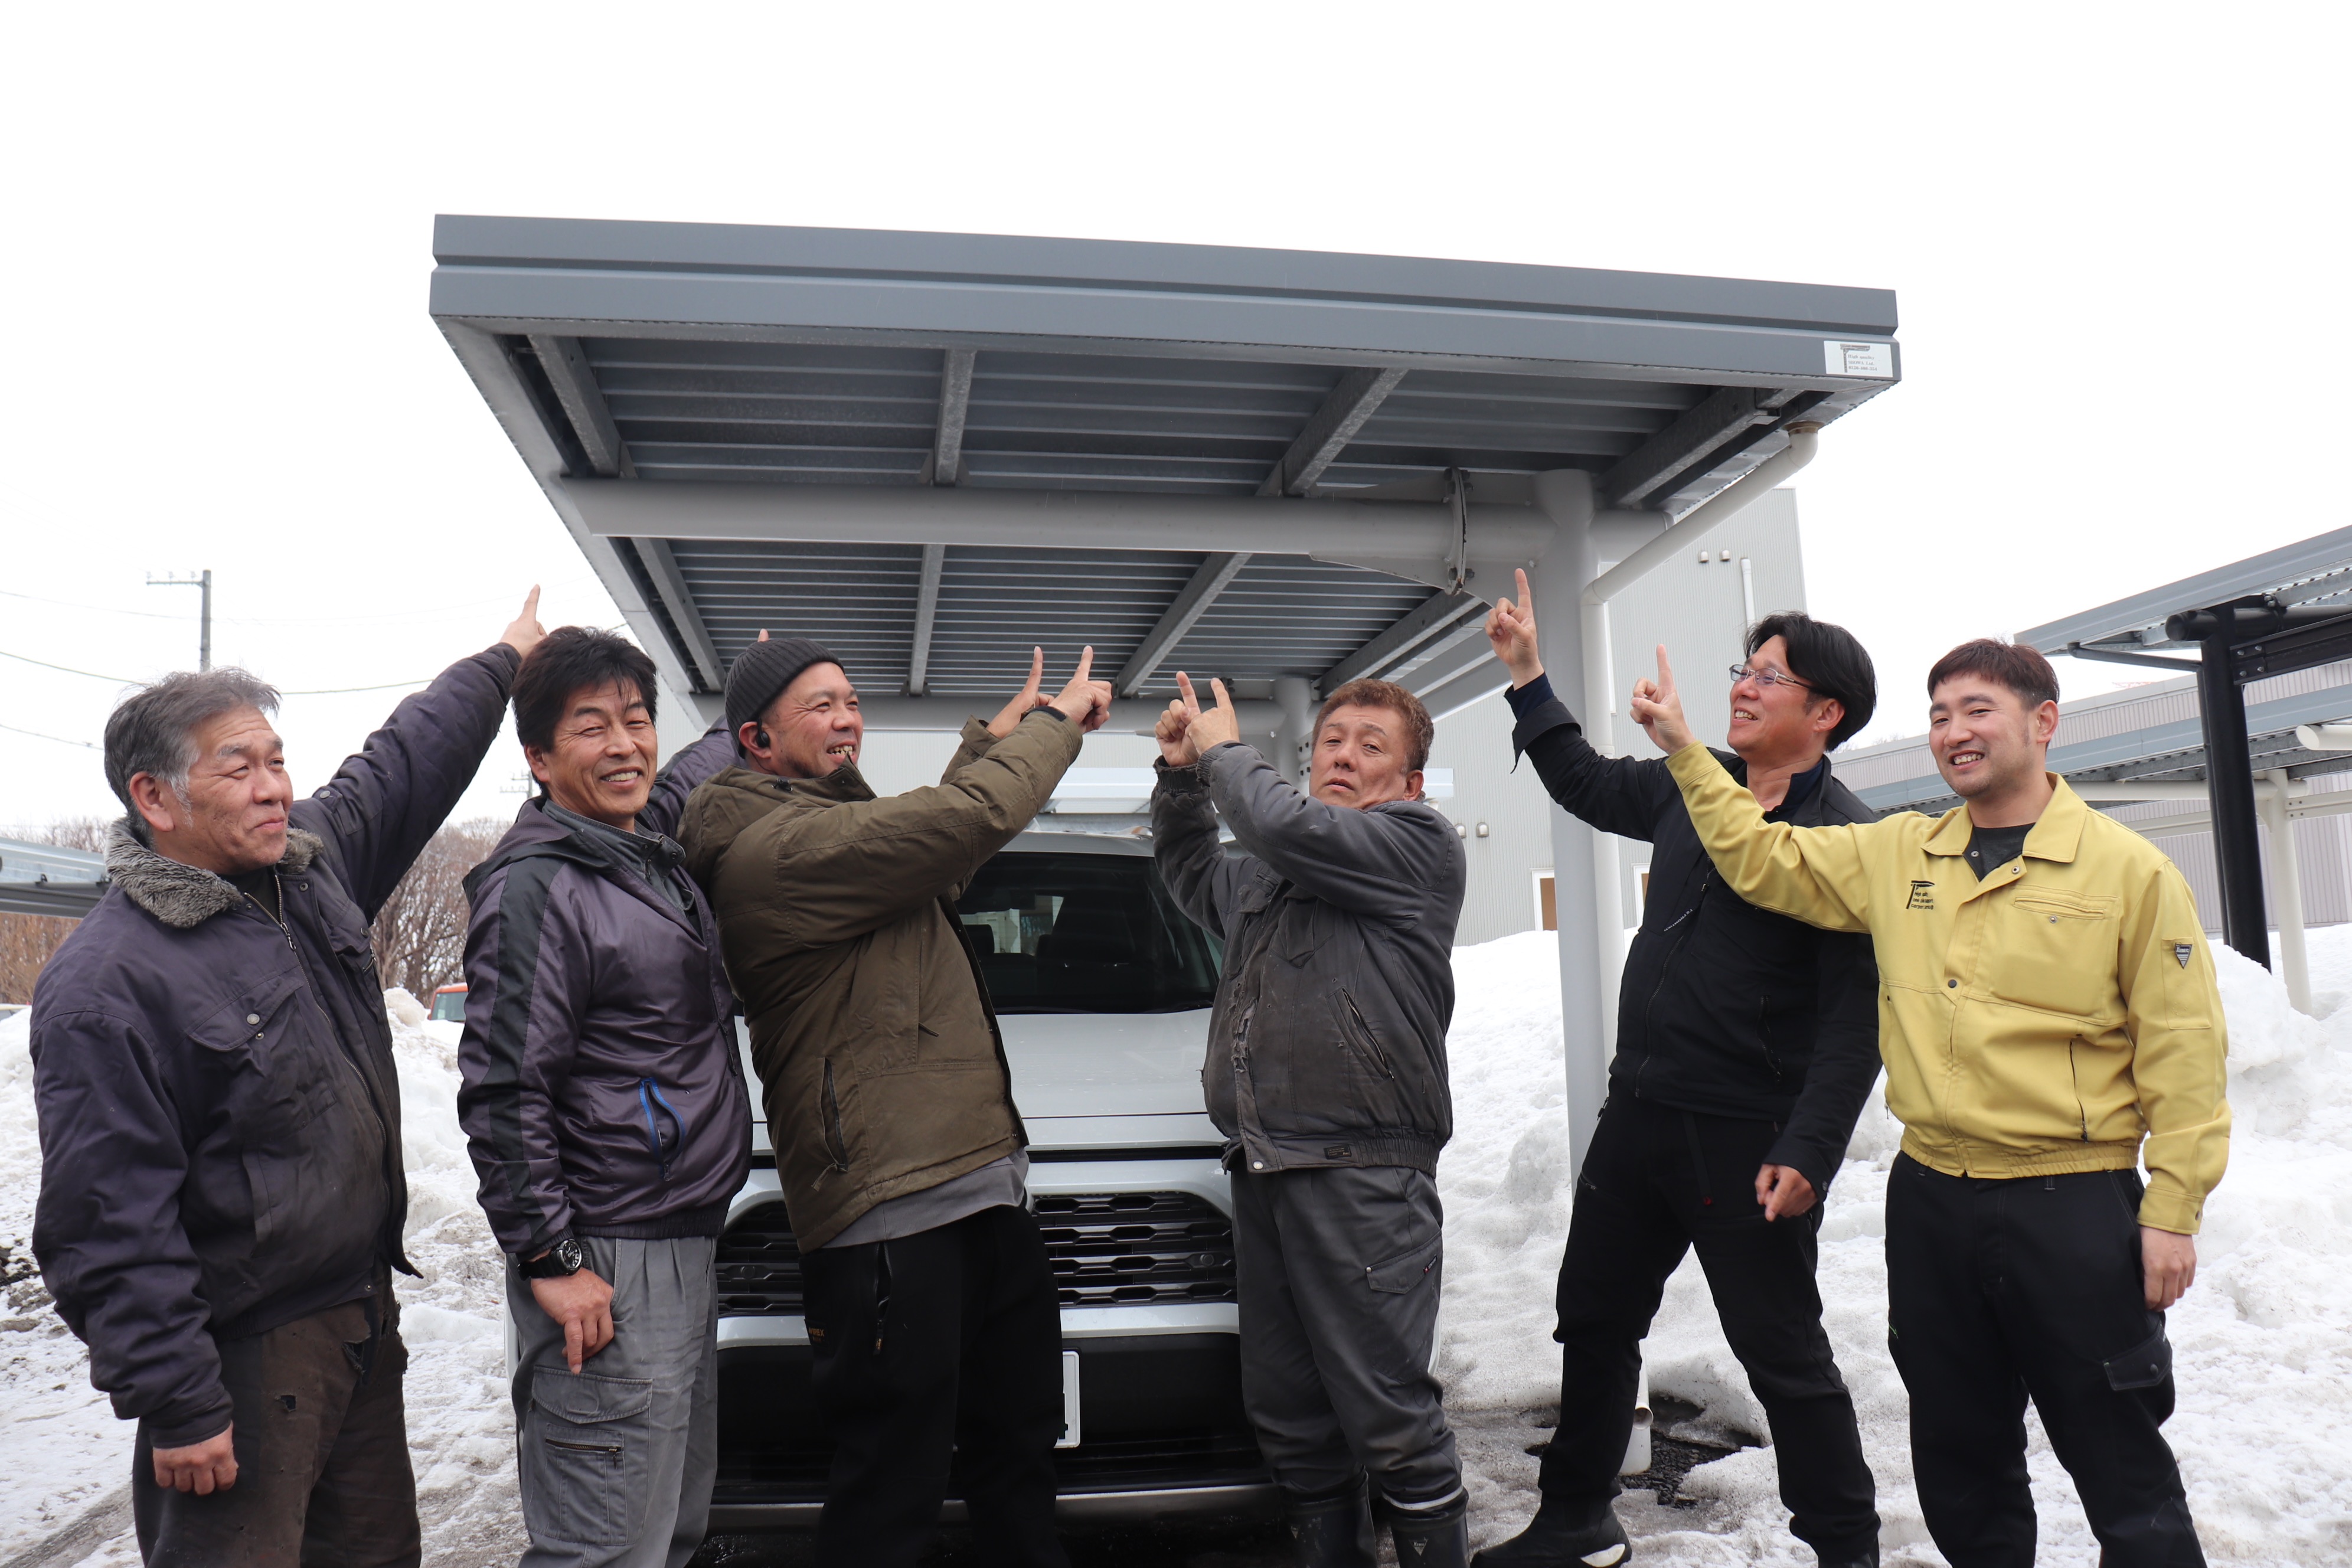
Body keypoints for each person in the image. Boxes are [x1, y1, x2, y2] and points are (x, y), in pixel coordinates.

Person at [1629, 637, 2226, 1568]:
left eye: (1978, 710)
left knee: (2121, 1465)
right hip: (1933, 1200)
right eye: (1941, 715)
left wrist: (2174, 1210)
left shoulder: (2130, 873)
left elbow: (2183, 1054)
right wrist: (1684, 749)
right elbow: (1758, 857)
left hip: (2070, 1201)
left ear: (2044, 721)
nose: (1954, 732)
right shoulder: (1902, 850)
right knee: (1960, 1458)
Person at [30, 590, 547, 1567]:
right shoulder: (107, 986)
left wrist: (503, 662)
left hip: (356, 1324)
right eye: (240, 768)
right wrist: (179, 1403)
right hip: (241, 1361)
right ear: (155, 799)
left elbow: (404, 762)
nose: (274, 788)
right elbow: (106, 1220)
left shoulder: (307, 872)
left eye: (278, 761)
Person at [1475, 573, 1884, 1568]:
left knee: (1782, 1354)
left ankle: (1848, 1550)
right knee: (1594, 1319)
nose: (1742, 686)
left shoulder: (1848, 838)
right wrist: (1528, 677)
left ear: (1825, 712)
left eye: (1769, 676)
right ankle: (1577, 1519)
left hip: (1749, 1135)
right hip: (1641, 1112)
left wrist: (1811, 1149)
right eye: (1745, 668)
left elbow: (1855, 1023)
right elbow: (1584, 780)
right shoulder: (1690, 785)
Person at [677, 636, 1110, 1568]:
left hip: (984, 1192)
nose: (848, 719)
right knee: (891, 1493)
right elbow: (960, 824)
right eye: (820, 706)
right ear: (756, 740)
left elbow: (936, 862)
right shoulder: (770, 851)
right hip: (888, 1215)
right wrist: (1053, 728)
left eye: (851, 700)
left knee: (1018, 1457)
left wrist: (989, 743)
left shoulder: (831, 832)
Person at [1151, 672, 1469, 1568]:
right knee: (1292, 1419)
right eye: (1332, 739)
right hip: (1266, 1166)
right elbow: (1194, 874)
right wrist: (1181, 780)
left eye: (1372, 745)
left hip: (1364, 1171)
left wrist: (1223, 751)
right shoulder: (1274, 869)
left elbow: (1285, 825)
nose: (1345, 754)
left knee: (1390, 1417)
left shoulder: (1418, 844)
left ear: (1410, 782)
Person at [453, 626, 749, 1568]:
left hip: (675, 1236)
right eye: (591, 727)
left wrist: (751, 701)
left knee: (669, 1527)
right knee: (605, 1545)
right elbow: (505, 1085)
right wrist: (551, 1255)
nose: (624, 744)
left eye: (636, 720)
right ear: (539, 759)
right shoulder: (541, 885)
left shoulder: (632, 849)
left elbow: (682, 779)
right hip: (611, 1253)